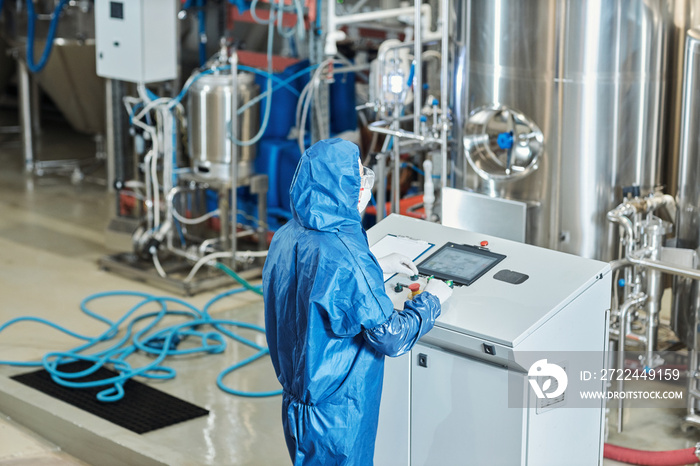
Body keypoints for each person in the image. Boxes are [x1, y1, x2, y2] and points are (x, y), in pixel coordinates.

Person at [262, 138, 453, 465]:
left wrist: (375, 268)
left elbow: (313, 289)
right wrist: (432, 301)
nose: (364, 186)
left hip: (296, 403)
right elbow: (392, 337)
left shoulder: (287, 235)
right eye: (358, 178)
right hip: (339, 413)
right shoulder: (348, 258)